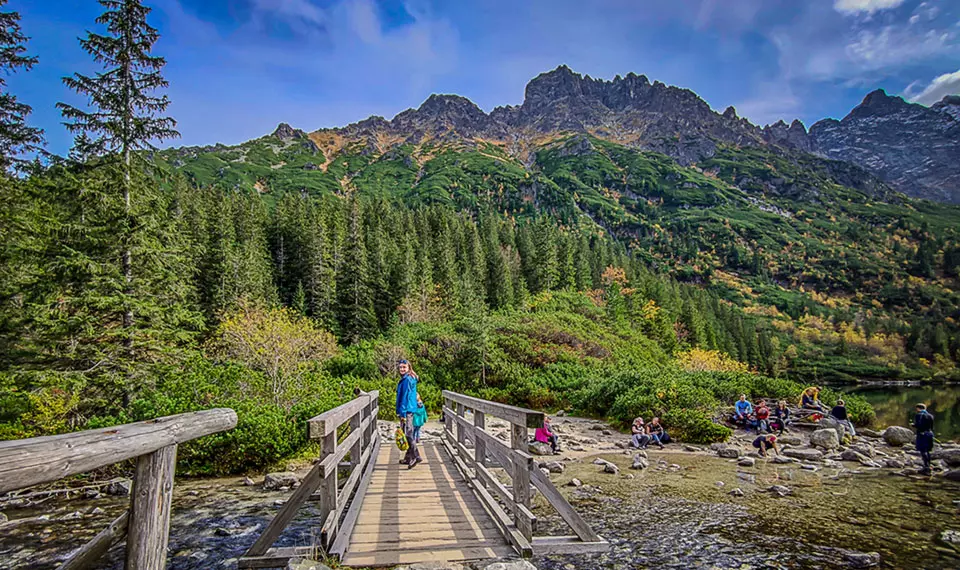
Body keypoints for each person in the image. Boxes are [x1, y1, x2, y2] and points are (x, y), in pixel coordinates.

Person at [395, 360, 422, 469]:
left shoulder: (407, 379)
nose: (402, 369)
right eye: (400, 367)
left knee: (408, 434)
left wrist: (402, 413)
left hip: (407, 410)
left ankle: (416, 456)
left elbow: (405, 397)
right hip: (409, 408)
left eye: (404, 367)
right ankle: (408, 457)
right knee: (407, 432)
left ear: (408, 368)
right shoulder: (409, 378)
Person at [913, 403, 935, 475]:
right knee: (928, 450)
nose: (916, 410)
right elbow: (931, 427)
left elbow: (919, 425)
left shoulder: (919, 415)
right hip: (930, 433)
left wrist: (913, 425)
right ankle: (928, 465)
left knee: (923, 450)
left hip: (922, 434)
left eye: (917, 409)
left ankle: (926, 467)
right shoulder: (930, 416)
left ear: (918, 408)